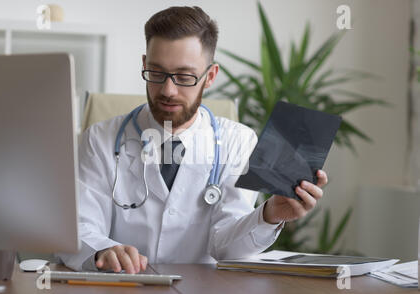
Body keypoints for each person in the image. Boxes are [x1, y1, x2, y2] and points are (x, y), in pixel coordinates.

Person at [57, 6, 328, 273]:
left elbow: (226, 248)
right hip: (125, 290)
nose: (168, 90)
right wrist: (102, 250)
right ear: (144, 65)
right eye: (156, 73)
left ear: (209, 76)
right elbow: (79, 229)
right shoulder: (100, 139)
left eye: (184, 76)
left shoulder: (238, 142)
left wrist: (269, 215)